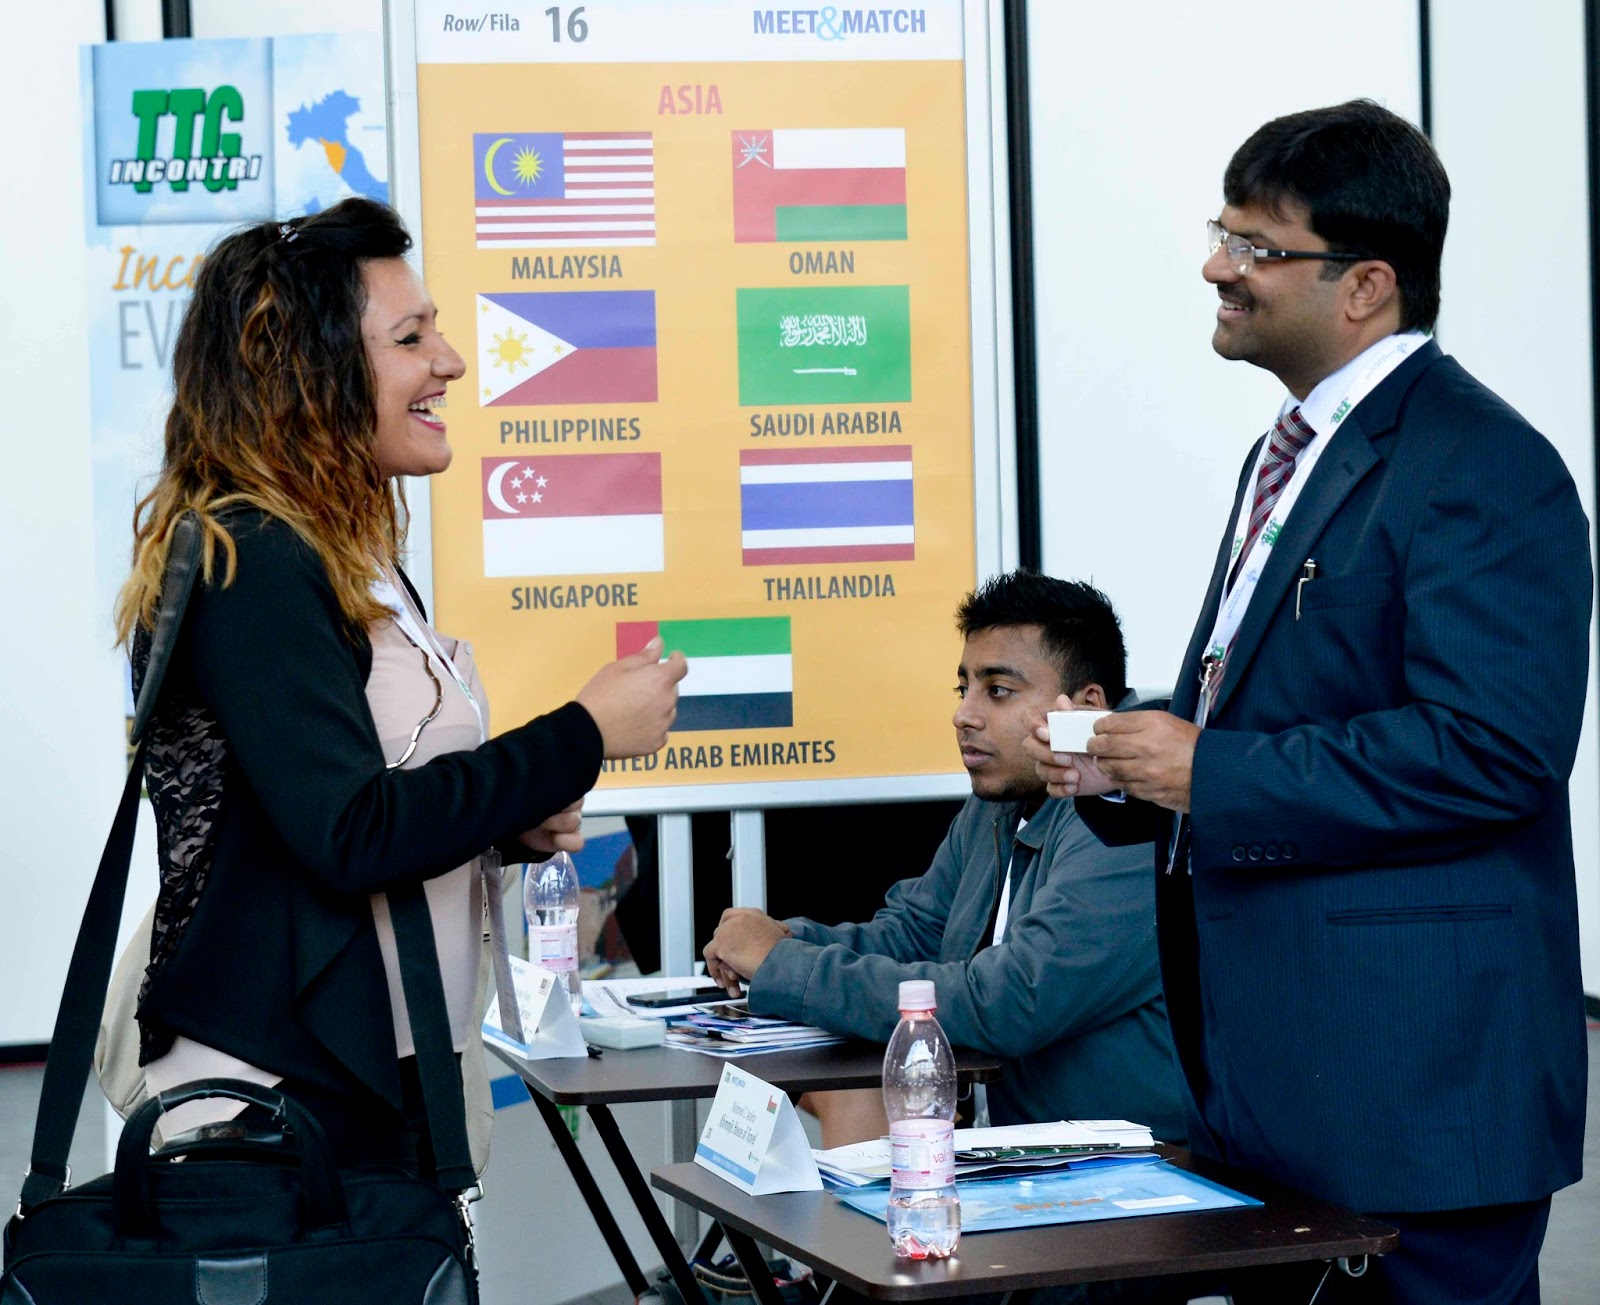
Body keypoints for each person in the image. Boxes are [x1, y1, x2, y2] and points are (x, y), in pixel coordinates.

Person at [1031, 101, 1592, 1304]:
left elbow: (1495, 750)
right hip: (1272, 1091)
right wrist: (1128, 765)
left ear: (1365, 286)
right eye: (1219, 234)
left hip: (1414, 1097)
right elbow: (1259, 713)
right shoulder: (1285, 454)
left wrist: (1208, 773)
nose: (1215, 268)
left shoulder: (1482, 464)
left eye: (1254, 247)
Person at [113, 198, 686, 1174]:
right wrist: (580, 734)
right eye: (412, 337)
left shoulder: (348, 559)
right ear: (310, 369)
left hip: (370, 1077)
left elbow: (329, 808)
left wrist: (506, 822)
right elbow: (350, 835)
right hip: (280, 1106)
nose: (450, 362)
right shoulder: (254, 559)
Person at [703, 571, 1184, 1150]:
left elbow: (1010, 1003)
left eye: (998, 691)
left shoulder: (1134, 817)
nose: (965, 715)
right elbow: (916, 933)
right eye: (964, 688)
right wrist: (783, 941)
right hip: (1011, 1151)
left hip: (1122, 1170)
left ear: (1087, 709)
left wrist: (786, 966)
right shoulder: (1002, 798)